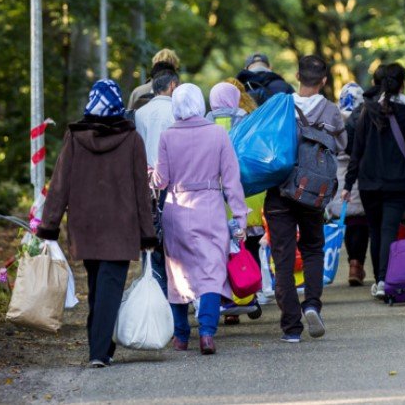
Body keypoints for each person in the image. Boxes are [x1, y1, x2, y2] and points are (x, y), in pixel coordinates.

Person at [37, 79, 157, 368]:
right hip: (120, 226)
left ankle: (101, 345)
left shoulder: (75, 137)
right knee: (109, 288)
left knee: (97, 287)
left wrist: (50, 224)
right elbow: (141, 190)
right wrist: (147, 233)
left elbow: (60, 183)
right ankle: (100, 351)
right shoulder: (132, 139)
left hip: (85, 225)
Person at [151, 83, 248, 355]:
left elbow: (161, 180)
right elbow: (231, 180)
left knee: (178, 272)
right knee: (212, 270)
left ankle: (181, 336)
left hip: (177, 207)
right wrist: (240, 217)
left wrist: (150, 174)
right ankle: (206, 333)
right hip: (210, 208)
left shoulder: (167, 136)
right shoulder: (218, 134)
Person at [265, 55, 346, 343]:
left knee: (283, 257)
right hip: (314, 191)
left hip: (280, 190)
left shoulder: (282, 106)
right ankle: (312, 304)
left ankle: (291, 327)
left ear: (297, 76)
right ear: (324, 80)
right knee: (312, 249)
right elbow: (341, 145)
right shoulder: (332, 111)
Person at [343, 63, 405, 299]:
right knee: (389, 228)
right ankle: (384, 280)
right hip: (397, 182)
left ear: (376, 83)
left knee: (375, 229)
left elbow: (355, 151)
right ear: (402, 85)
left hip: (368, 182)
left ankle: (380, 279)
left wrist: (348, 184)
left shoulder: (364, 112)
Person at [134, 70, 179, 296]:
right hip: (176, 183)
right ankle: (178, 290)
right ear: (172, 86)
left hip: (148, 184)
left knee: (151, 241)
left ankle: (156, 290)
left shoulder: (140, 113)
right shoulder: (177, 111)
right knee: (175, 240)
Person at [329, 82, 369, 286]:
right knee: (361, 222)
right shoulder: (364, 116)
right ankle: (356, 264)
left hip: (339, 175)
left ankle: (353, 264)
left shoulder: (334, 117)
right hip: (360, 174)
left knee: (348, 221)